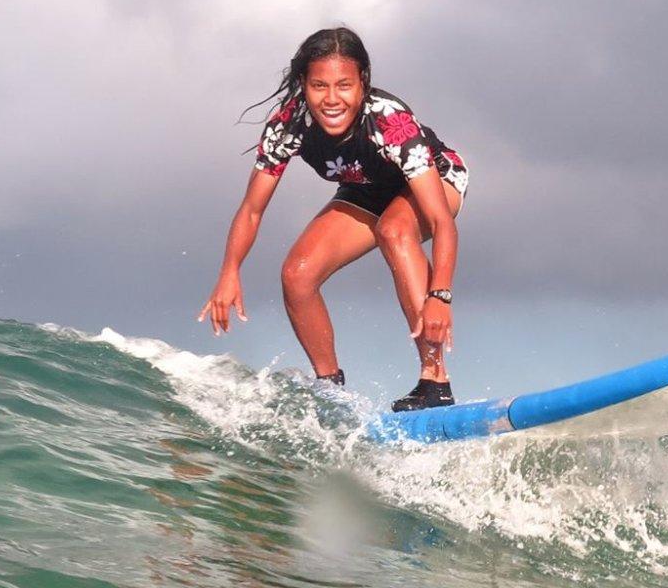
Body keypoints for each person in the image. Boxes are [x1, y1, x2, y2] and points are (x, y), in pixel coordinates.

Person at [198, 27, 469, 411]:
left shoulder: (389, 122)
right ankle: (330, 390)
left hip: (438, 180)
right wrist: (230, 271)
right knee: (298, 273)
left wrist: (439, 296)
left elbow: (442, 222)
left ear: (363, 83)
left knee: (394, 229)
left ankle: (435, 383)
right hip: (366, 190)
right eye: (318, 86)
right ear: (304, 86)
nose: (331, 99)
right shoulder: (288, 125)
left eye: (344, 85)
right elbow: (252, 209)